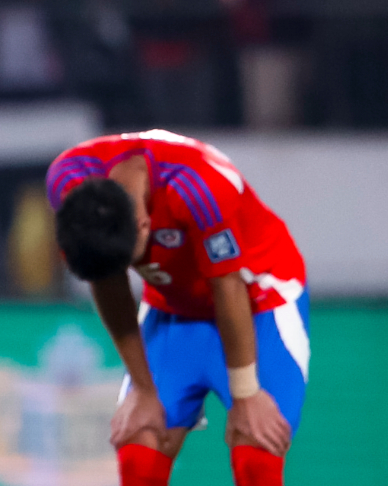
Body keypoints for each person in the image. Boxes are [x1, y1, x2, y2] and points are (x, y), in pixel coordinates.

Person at [47, 130, 309, 486]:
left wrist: (246, 392)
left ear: (145, 225)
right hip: (173, 307)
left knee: (256, 455)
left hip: (258, 300)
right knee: (140, 449)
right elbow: (108, 283)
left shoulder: (199, 188)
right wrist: (143, 389)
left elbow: (228, 286)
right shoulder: (70, 180)